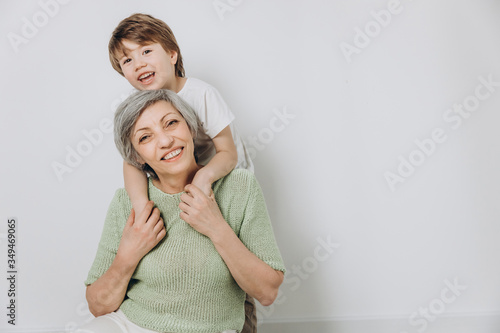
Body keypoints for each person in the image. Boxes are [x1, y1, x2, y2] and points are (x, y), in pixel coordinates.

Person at [81, 89, 285, 333]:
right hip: (129, 325)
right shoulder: (127, 201)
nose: (165, 141)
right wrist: (128, 255)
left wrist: (215, 227)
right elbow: (97, 306)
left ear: (190, 127)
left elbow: (267, 292)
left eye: (171, 123)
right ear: (137, 157)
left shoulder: (240, 187)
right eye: (145, 138)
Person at [108, 15, 257, 330]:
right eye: (127, 60)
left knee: (233, 264)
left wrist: (203, 179)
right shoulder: (136, 107)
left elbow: (228, 153)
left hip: (224, 185)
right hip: (181, 191)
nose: (138, 63)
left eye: (146, 51)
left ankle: (240, 322)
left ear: (172, 55)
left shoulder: (201, 93)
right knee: (194, 263)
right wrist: (141, 206)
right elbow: (131, 161)